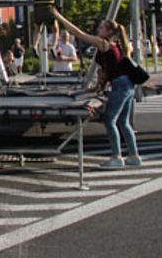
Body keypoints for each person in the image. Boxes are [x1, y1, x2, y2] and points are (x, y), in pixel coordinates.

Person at [52, 9, 141, 168]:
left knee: (109, 119)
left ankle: (116, 157)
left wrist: (59, 17)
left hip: (120, 85)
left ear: (108, 32)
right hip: (127, 85)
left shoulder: (104, 43)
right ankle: (134, 156)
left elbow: (78, 33)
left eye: (101, 28)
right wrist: (95, 88)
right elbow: (106, 72)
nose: (98, 30)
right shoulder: (117, 46)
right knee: (123, 121)